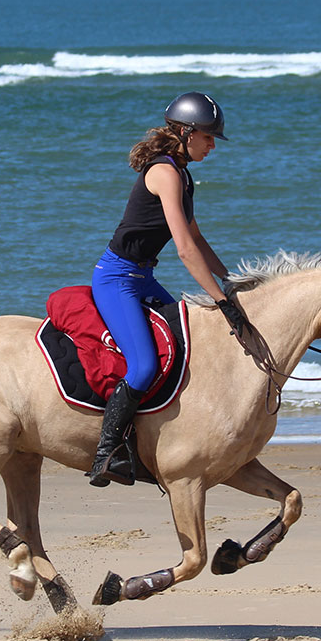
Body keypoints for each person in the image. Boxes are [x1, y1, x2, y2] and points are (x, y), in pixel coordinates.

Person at [86, 92, 251, 486]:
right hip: (117, 280)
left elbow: (198, 237)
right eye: (209, 138)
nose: (212, 146)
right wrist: (219, 299)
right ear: (186, 132)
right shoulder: (164, 172)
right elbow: (184, 248)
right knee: (144, 366)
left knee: (188, 345)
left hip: (143, 278)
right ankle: (105, 453)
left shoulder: (184, 173)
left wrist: (233, 283)